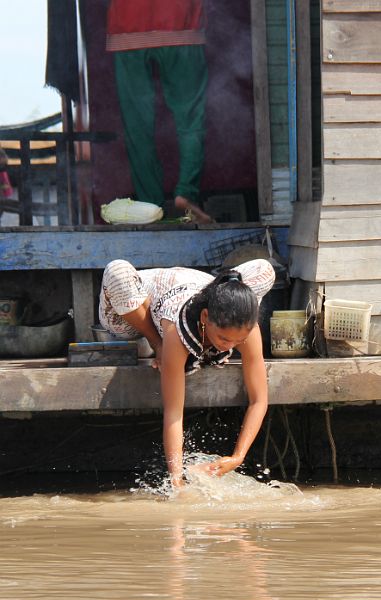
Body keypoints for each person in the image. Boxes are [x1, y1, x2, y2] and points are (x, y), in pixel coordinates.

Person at [99, 258, 275, 486]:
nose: (230, 346)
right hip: (131, 309)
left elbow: (259, 400)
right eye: (223, 338)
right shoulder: (176, 332)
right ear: (205, 318)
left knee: (265, 268)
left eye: (238, 341)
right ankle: (154, 340)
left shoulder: (246, 327)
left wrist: (237, 457)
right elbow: (174, 414)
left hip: (194, 282)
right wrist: (176, 480)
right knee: (117, 271)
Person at [106, 0, 213, 224]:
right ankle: (186, 192)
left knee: (138, 127)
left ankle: (150, 207)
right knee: (190, 119)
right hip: (181, 20)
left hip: (127, 23)